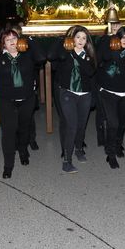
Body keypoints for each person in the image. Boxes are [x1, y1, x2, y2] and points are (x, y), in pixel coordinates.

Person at [0, 29, 46, 179]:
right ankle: (8, 165)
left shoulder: (28, 55)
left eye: (14, 38)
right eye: (8, 39)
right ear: (3, 44)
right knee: (8, 133)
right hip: (6, 101)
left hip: (27, 99)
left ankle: (23, 150)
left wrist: (30, 40)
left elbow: (42, 58)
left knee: (24, 130)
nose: (12, 42)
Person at [48, 25, 97, 173]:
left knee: (81, 126)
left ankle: (79, 148)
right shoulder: (65, 53)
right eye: (78, 37)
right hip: (67, 94)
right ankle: (67, 161)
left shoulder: (88, 55)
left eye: (84, 38)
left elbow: (89, 71)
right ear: (72, 38)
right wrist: (61, 40)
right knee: (72, 126)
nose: (81, 40)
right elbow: (50, 56)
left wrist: (77, 55)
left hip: (85, 95)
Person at [96, 26, 125, 169]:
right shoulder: (109, 50)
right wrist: (110, 37)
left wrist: (118, 59)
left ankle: (118, 144)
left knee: (122, 123)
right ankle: (111, 153)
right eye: (122, 37)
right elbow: (100, 55)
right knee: (112, 123)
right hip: (108, 93)